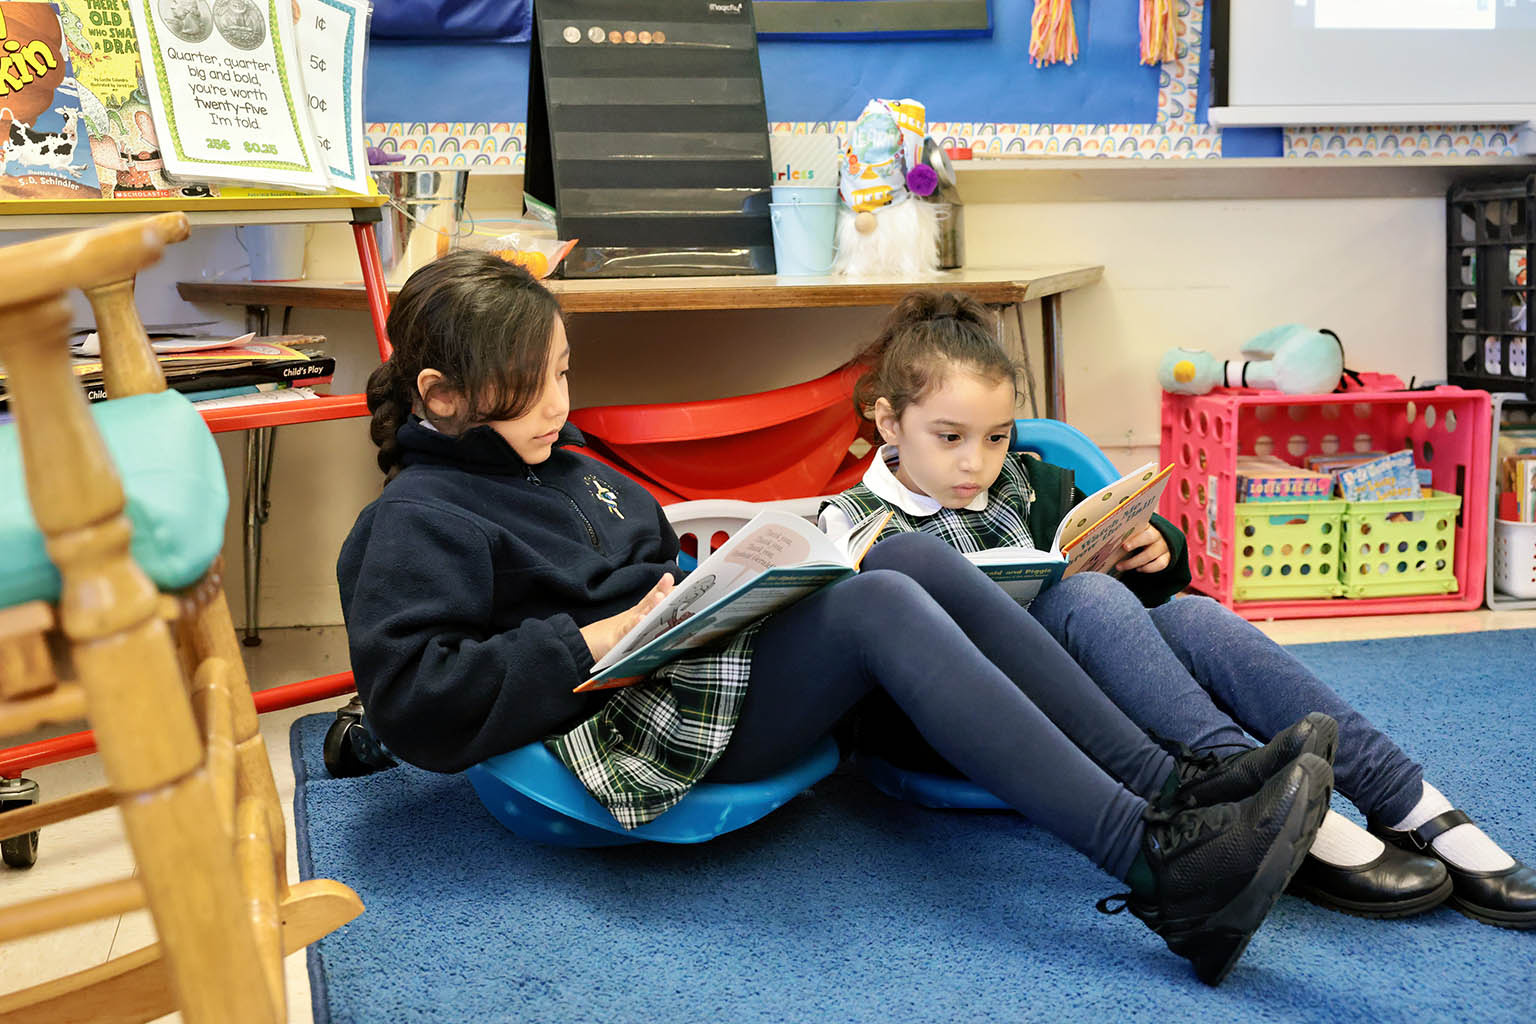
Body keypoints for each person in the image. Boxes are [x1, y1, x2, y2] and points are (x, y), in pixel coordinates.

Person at [336, 251, 1334, 986]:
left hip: (686, 669)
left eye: (562, 372)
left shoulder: (565, 471)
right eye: (532, 386)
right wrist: (591, 639)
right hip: (620, 727)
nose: (560, 402)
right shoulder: (416, 520)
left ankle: (1174, 791)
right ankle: (1159, 866)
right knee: (881, 605)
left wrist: (719, 590)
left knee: (898, 554)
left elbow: (647, 572)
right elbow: (417, 697)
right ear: (443, 397)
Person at [821, 290, 1536, 930]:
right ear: (889, 422)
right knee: (1084, 597)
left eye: (997, 436)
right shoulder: (853, 521)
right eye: (950, 437)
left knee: (1191, 618)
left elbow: (1130, 595)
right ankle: (1259, 809)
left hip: (1093, 709)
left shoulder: (1027, 484)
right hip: (967, 727)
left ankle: (1405, 799)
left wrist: (1152, 547)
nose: (976, 462)